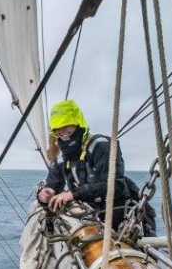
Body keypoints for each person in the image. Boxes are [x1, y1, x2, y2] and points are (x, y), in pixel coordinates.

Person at [37, 99, 156, 236]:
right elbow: (52, 189)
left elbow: (115, 186)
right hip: (92, 223)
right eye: (57, 128)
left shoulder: (101, 146)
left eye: (66, 124)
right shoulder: (62, 159)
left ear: (77, 123)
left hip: (125, 220)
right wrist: (45, 195)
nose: (61, 130)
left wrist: (74, 194)